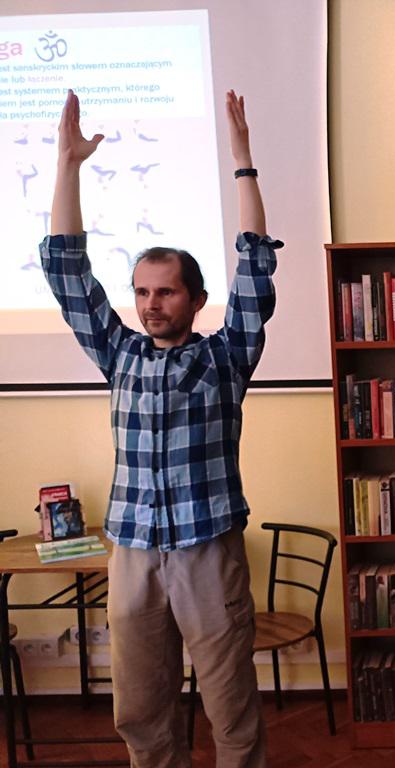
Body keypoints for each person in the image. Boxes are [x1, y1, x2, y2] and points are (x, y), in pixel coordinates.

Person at [42, 88, 280, 767]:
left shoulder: (225, 357)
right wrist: (68, 165)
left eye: (166, 291)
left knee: (230, 707)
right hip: (133, 554)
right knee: (141, 712)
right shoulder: (119, 353)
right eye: (142, 292)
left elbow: (255, 267)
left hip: (208, 550)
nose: (150, 304)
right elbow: (67, 272)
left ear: (196, 299)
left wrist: (243, 160)